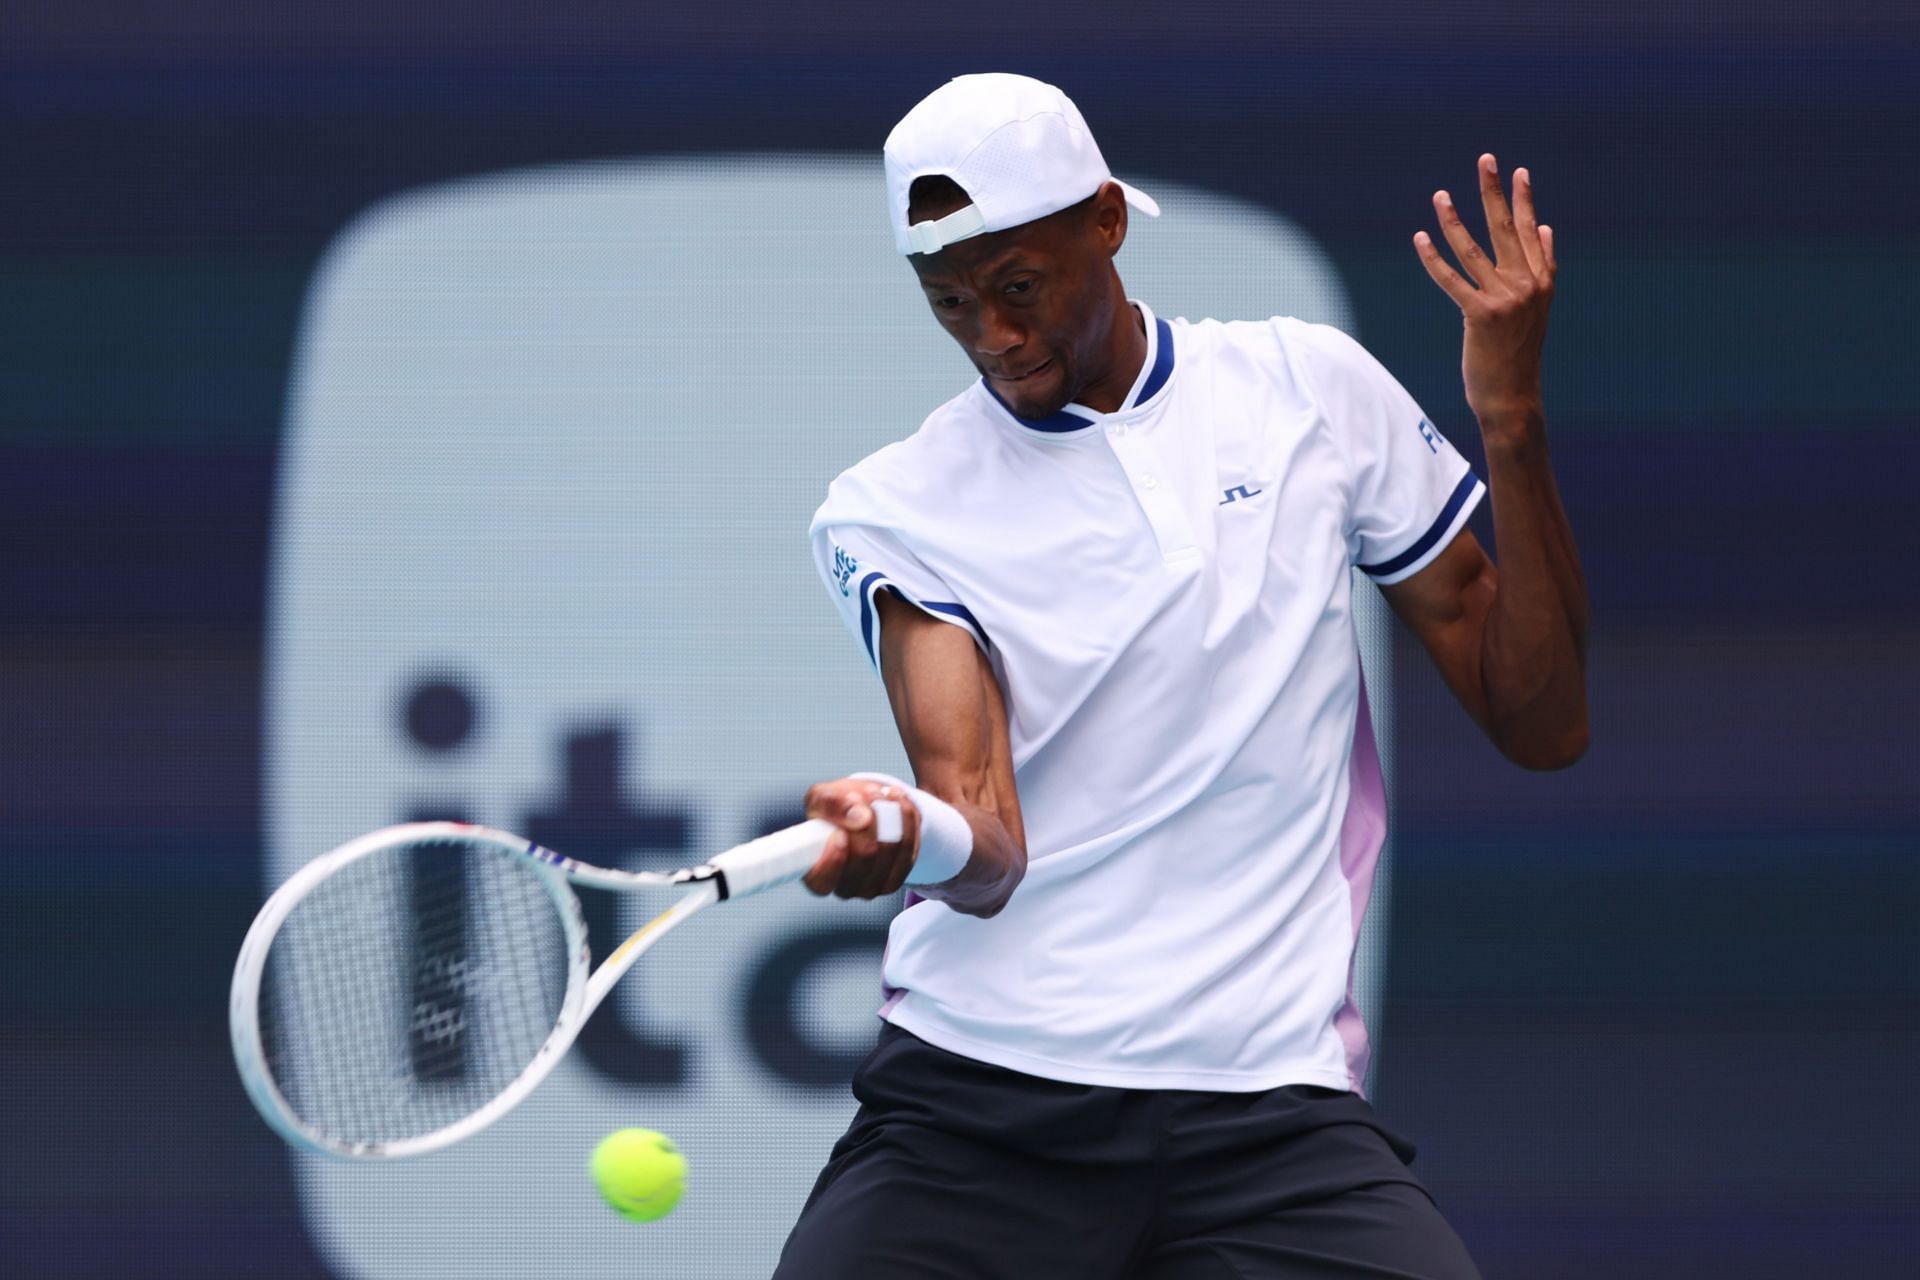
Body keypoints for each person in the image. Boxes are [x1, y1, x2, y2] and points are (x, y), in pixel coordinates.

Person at [776, 73, 1588, 1279]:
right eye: (949, 302)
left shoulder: (1312, 390)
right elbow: (988, 843)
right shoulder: (896, 509)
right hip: (983, 1114)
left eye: (1015, 287)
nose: (993, 336)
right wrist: (914, 829)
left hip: (1270, 1114)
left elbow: (1543, 722)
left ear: (1105, 219)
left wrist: (1508, 412)